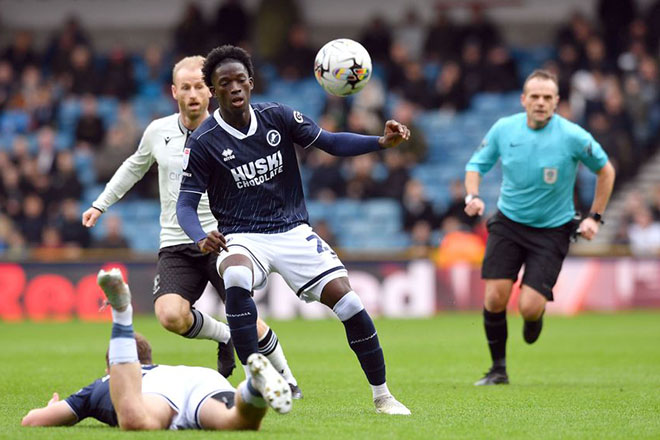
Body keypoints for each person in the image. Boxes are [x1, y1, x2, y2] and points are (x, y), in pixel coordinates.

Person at [176, 45, 412, 415]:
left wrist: (380, 143)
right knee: (235, 272)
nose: (235, 87)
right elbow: (185, 205)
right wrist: (199, 235)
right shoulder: (204, 141)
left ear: (251, 83)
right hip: (242, 235)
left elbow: (330, 143)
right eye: (225, 83)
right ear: (213, 91)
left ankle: (383, 396)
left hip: (292, 230)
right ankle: (255, 382)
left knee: (349, 301)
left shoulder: (278, 116)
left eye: (241, 80)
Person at [82, 56, 301, 397]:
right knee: (170, 315)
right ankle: (224, 335)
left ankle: (288, 380)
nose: (193, 93)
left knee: (249, 320)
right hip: (176, 241)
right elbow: (133, 167)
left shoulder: (231, 131)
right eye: (186, 87)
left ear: (211, 90)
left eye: (199, 86)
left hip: (223, 238)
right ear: (174, 92)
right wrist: (100, 204)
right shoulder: (158, 131)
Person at [464, 69, 616, 386]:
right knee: (494, 299)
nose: (541, 102)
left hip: (552, 229)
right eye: (535, 96)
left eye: (548, 97)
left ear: (557, 101)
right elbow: (475, 165)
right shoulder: (504, 129)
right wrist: (473, 196)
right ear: (523, 100)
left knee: (529, 308)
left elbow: (606, 171)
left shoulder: (573, 136)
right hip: (508, 223)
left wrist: (594, 217)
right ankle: (498, 369)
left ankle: (535, 317)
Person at [21, 268, 291, 430]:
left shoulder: (102, 383)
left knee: (137, 421)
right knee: (237, 423)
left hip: (158, 395)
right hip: (203, 379)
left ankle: (122, 315)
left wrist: (50, 408)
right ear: (148, 360)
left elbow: (32, 422)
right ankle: (253, 388)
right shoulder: (164, 369)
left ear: (114, 368)